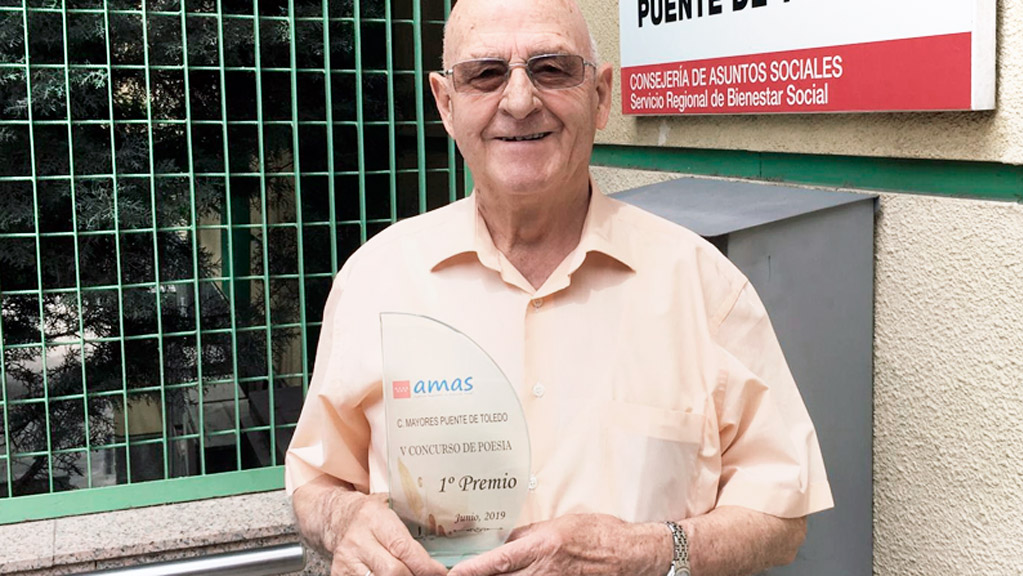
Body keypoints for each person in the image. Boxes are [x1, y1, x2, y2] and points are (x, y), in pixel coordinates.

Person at [286, 0, 833, 574]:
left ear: (600, 96)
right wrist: (343, 520)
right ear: (446, 103)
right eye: (485, 74)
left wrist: (646, 552)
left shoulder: (703, 287)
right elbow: (317, 481)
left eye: (551, 69)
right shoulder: (376, 282)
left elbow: (780, 519)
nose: (520, 102)